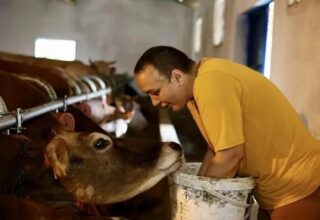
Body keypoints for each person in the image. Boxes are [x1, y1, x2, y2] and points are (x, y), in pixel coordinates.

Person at [133, 46, 320, 220]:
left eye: (155, 92)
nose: (154, 102)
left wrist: (200, 207)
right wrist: (196, 190)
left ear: (177, 77)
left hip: (301, 185)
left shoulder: (211, 82)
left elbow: (230, 156)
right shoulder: (197, 89)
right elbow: (215, 150)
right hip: (276, 188)